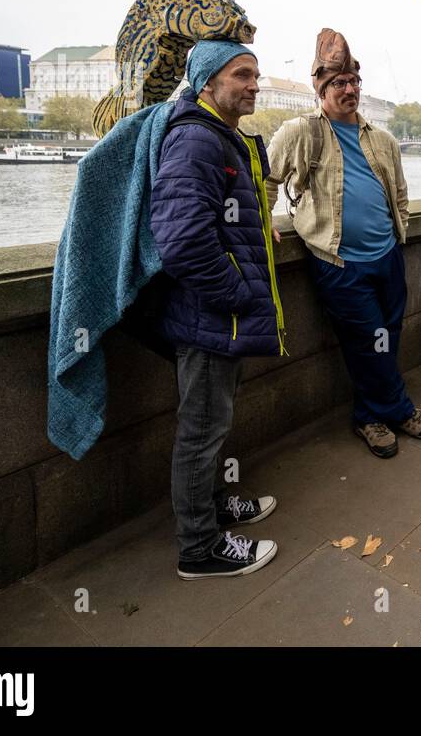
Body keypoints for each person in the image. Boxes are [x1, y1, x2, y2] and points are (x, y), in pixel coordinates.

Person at [266, 28, 421, 459]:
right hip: (339, 260)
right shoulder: (299, 133)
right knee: (370, 338)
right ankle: (398, 412)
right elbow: (263, 180)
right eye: (339, 84)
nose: (350, 90)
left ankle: (370, 414)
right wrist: (258, 222)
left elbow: (398, 193)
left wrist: (397, 234)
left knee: (389, 335)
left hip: (387, 255)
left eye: (354, 82)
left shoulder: (381, 138)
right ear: (322, 90)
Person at [150, 40, 282, 579]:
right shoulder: (196, 141)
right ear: (207, 83)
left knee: (213, 424)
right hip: (211, 319)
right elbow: (181, 240)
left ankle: (216, 504)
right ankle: (199, 548)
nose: (254, 84)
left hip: (220, 317)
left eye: (256, 74)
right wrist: (237, 294)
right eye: (242, 75)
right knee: (201, 432)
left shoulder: (219, 136)